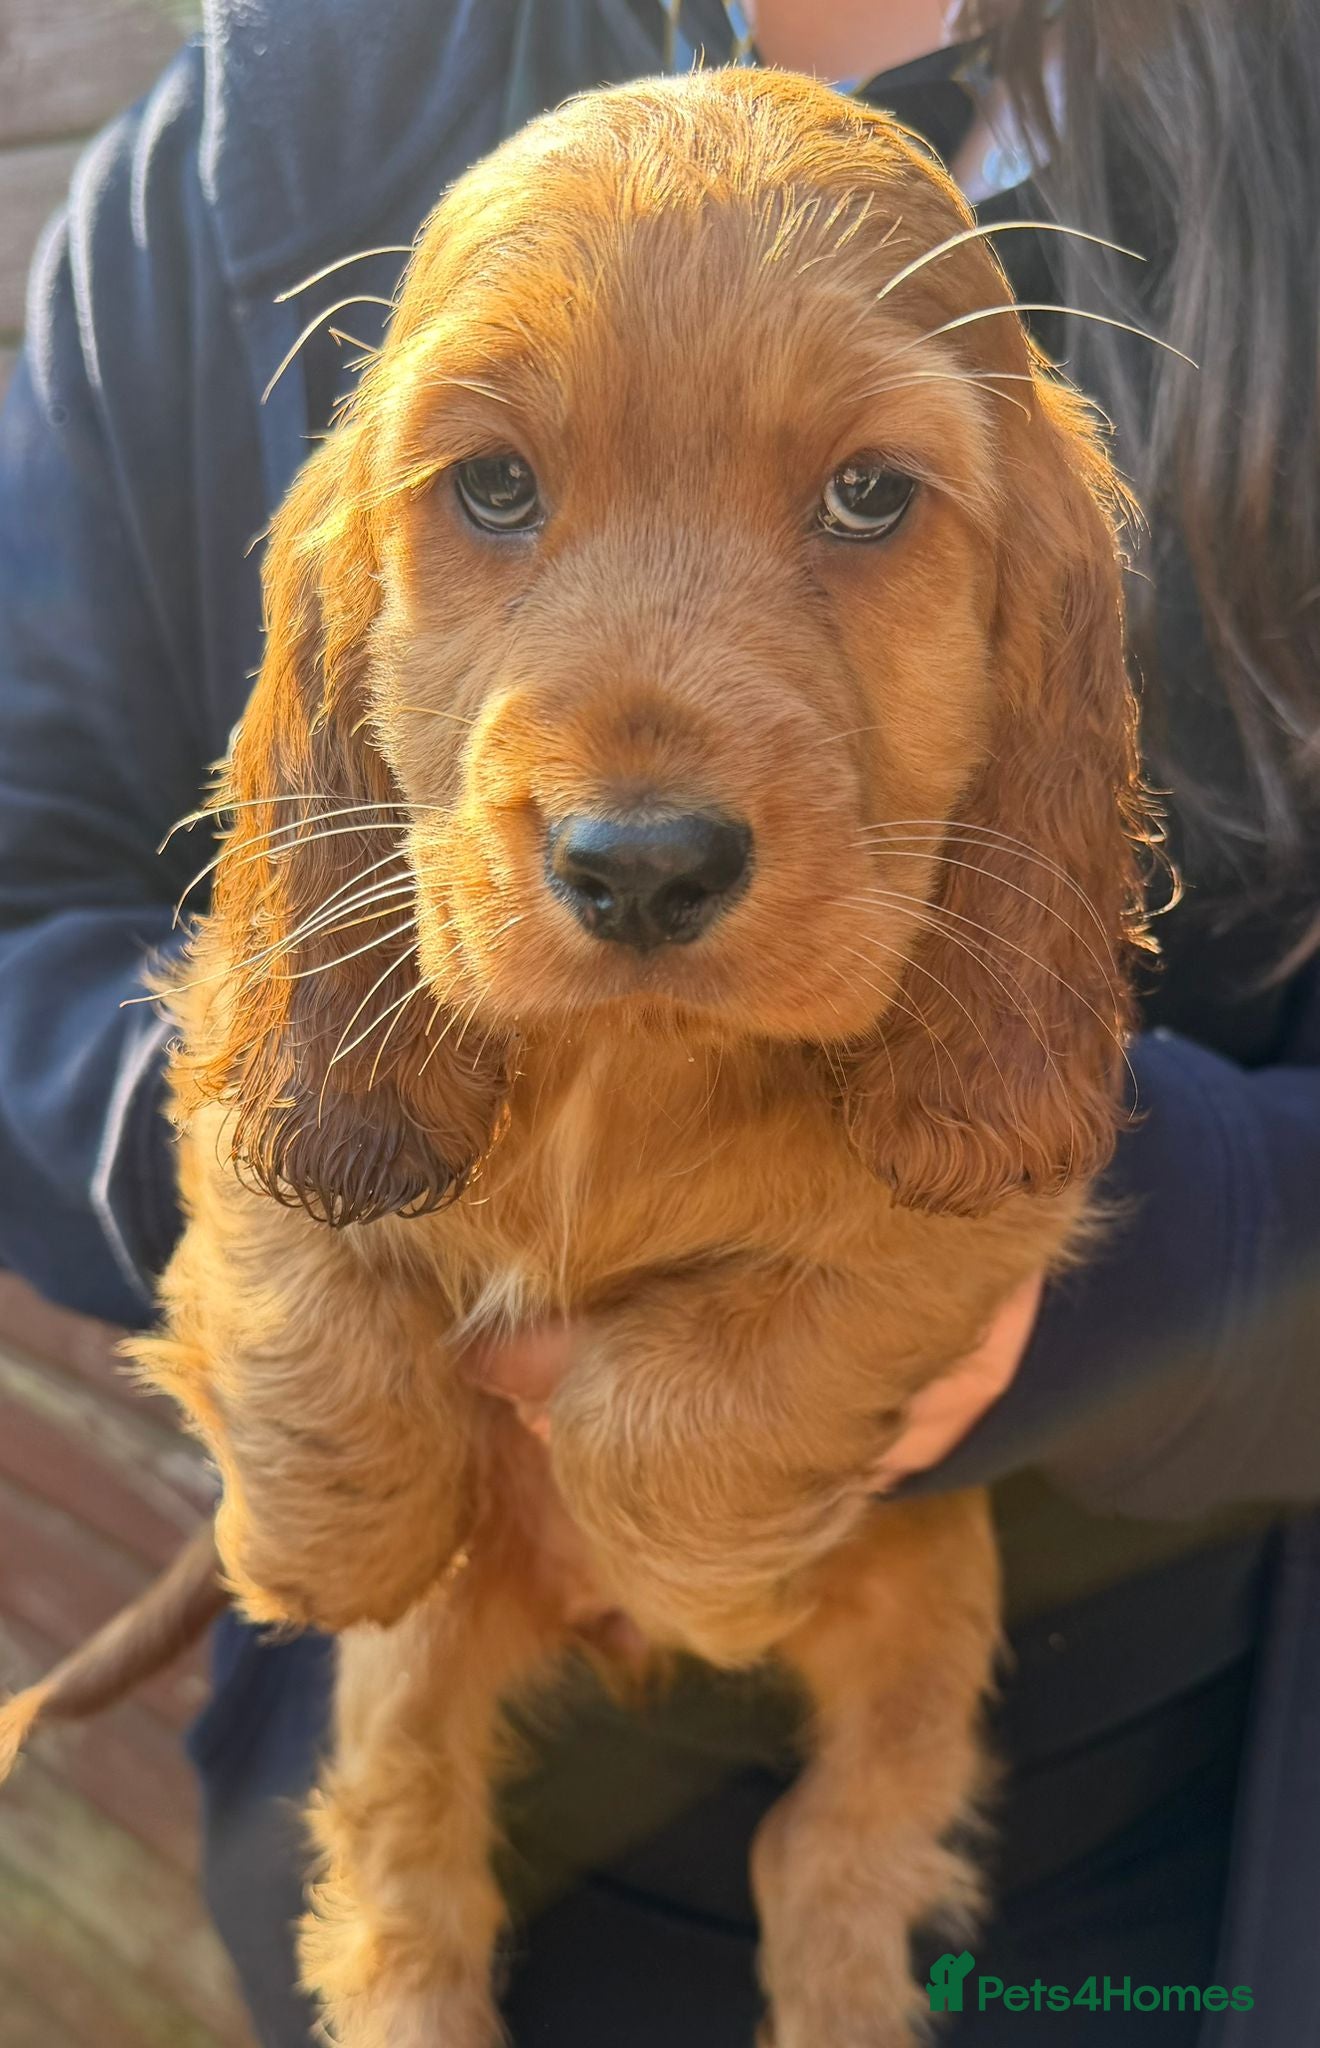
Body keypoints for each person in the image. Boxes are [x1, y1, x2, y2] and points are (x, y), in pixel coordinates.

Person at [3, 2, 1320, 2041]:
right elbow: (29, 882)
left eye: (869, 497)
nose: (635, 807)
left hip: (1145, 1876)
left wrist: (1142, 1270)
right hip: (404, 1769)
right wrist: (312, 1249)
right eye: (490, 484)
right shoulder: (256, 131)